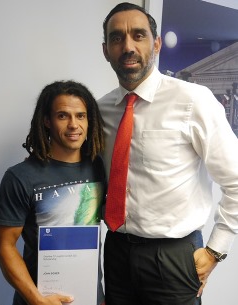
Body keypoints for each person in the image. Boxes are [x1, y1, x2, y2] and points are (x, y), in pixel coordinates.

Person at [98, 2, 238, 305]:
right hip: (116, 251)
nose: (128, 46)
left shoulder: (193, 101)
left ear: (157, 44)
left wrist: (216, 249)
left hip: (173, 257)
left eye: (139, 35)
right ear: (106, 49)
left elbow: (236, 180)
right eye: (117, 38)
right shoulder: (100, 110)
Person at [0, 80, 106, 305]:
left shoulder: (98, 167)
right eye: (63, 116)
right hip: (41, 299)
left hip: (91, 297)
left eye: (81, 116)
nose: (74, 124)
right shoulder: (21, 176)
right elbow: (5, 246)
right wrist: (36, 299)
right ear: (47, 121)